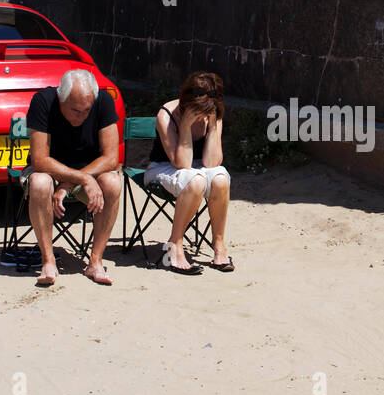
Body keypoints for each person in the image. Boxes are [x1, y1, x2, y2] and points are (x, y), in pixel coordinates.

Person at [24, 69, 122, 287]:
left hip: (89, 170)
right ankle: (48, 260)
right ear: (61, 98)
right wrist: (84, 180)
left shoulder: (103, 100)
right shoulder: (43, 101)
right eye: (75, 110)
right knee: (39, 183)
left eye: (87, 110)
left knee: (113, 183)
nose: (82, 116)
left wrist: (69, 184)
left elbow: (111, 157)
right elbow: (40, 160)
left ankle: (95, 261)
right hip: (50, 170)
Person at [144, 71, 234, 275]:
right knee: (195, 180)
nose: (201, 115)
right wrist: (185, 125)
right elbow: (181, 163)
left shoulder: (214, 112)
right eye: (198, 110)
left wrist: (211, 126)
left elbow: (212, 162)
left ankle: (218, 244)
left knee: (220, 177)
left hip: (197, 166)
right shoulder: (166, 114)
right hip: (162, 167)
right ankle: (174, 244)